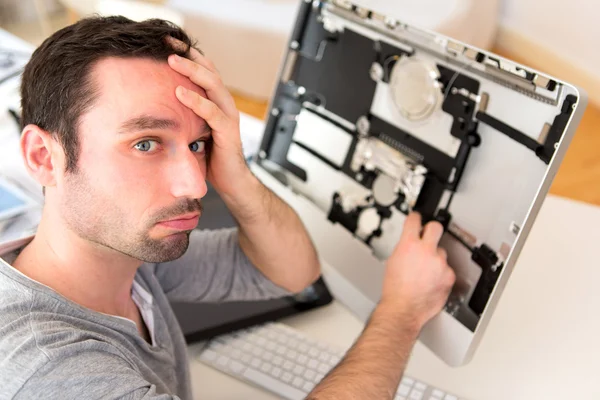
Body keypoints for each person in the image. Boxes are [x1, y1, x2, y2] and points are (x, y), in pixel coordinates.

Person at [0, 16, 455, 400]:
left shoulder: (124, 262)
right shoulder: (49, 367)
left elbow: (291, 272)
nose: (195, 183)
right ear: (44, 157)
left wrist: (234, 171)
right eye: (145, 143)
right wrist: (402, 311)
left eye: (197, 143)